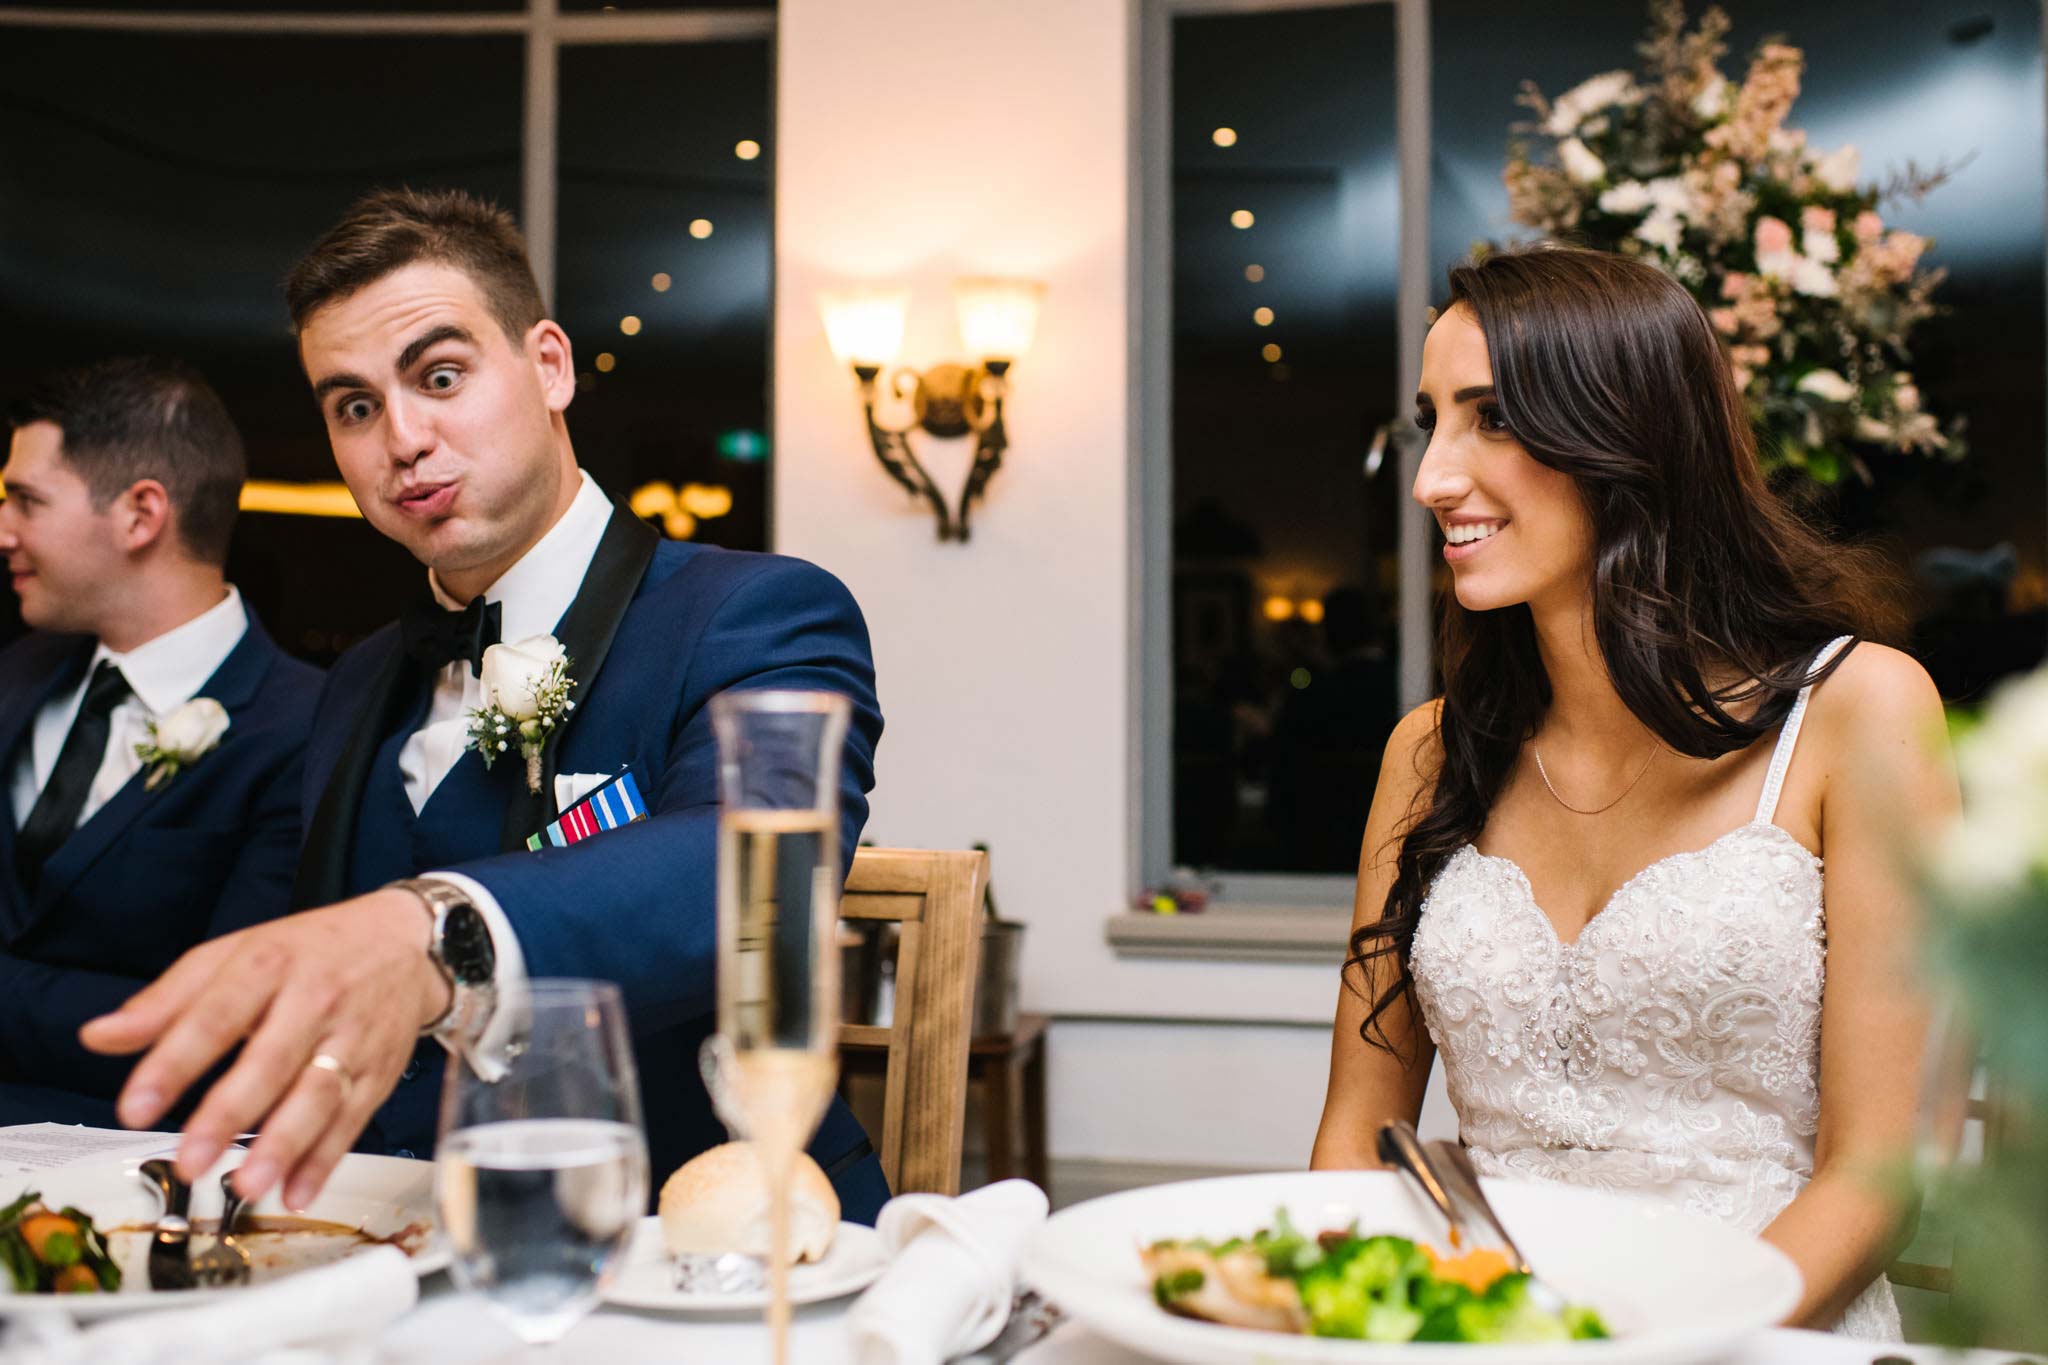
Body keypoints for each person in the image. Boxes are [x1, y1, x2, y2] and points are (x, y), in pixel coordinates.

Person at [79, 188, 891, 1221]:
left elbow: (760, 865)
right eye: (354, 407)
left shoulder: (759, 613)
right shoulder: (361, 682)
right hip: (393, 1239)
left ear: (549, 366)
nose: (401, 440)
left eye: (441, 376)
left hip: (708, 1239)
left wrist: (433, 935)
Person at [1310, 246, 1955, 1340]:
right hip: (1479, 1333)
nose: (1430, 480)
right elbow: (1354, 1140)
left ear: (1629, 439)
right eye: (1433, 422)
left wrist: (1653, 1350)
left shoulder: (1859, 713)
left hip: (1759, 1330)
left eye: (1492, 418)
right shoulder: (1424, 757)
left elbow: (1879, 1173)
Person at [0, 357, 320, 1125]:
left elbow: (220, 1022)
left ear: (142, 514)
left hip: (130, 1168)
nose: (4, 529)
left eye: (26, 501)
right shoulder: (18, 672)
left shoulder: (303, 729)